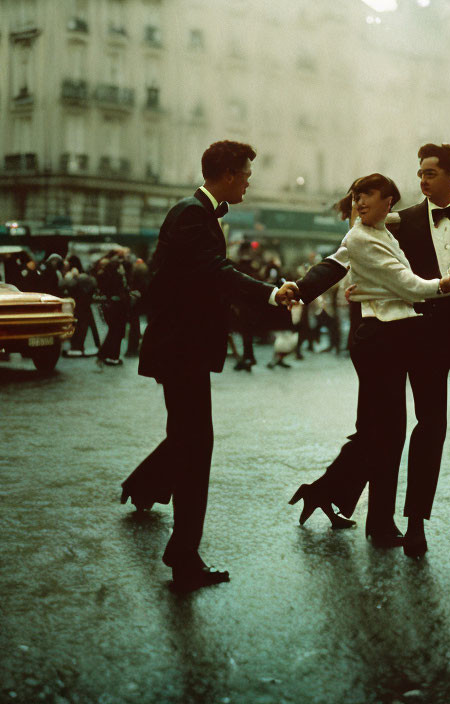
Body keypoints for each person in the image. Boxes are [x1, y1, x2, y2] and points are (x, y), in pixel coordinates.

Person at [289, 144, 450, 554]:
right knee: (429, 427)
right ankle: (416, 522)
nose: (421, 180)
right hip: (423, 338)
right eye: (419, 173)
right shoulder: (401, 221)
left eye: (429, 173)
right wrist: (320, 292)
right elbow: (349, 253)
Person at [120, 140, 296, 593]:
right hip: (181, 351)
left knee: (189, 442)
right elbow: (215, 272)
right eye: (247, 174)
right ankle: (183, 554)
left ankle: (150, 496)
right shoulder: (192, 214)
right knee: (196, 451)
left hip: (182, 348)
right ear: (229, 174)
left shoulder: (196, 212)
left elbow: (198, 283)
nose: (250, 181)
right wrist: (271, 293)